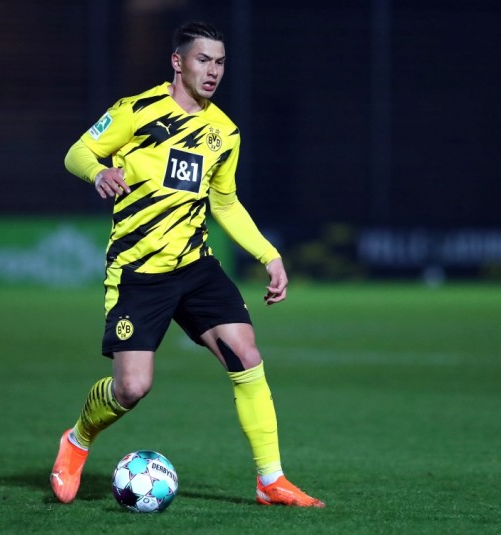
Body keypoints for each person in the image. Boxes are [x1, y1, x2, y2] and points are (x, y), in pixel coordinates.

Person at [51, 21, 324, 508]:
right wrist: (99, 171)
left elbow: (225, 203)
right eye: (203, 60)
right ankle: (77, 440)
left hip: (196, 267)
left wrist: (269, 254)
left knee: (246, 354)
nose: (213, 71)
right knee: (132, 387)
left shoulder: (224, 132)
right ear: (178, 62)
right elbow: (78, 151)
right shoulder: (136, 110)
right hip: (139, 273)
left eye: (220, 62)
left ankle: (271, 479)